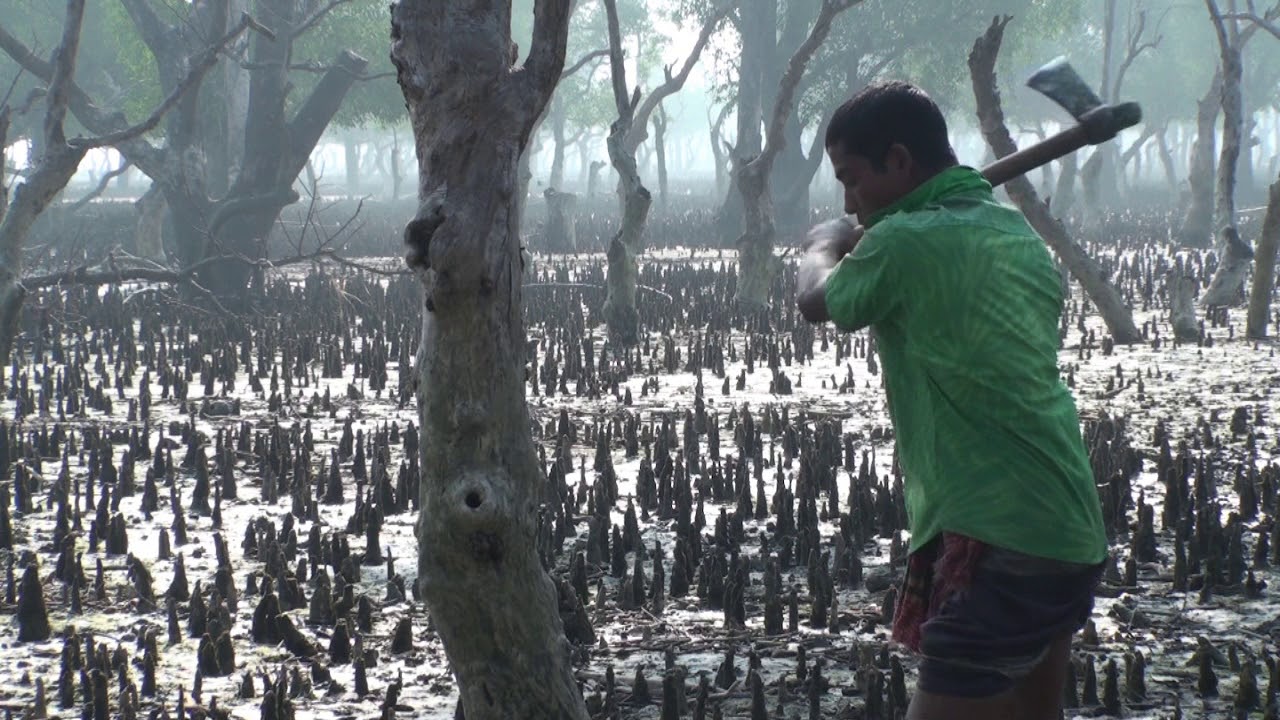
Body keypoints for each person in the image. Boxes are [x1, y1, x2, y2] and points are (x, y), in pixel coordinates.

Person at [796, 80, 1108, 720]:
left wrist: (822, 245)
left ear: (901, 162)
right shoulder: (1016, 235)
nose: (851, 202)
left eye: (852, 180)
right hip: (1069, 527)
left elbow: (816, 300)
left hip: (999, 539)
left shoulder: (902, 243)